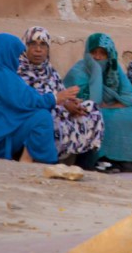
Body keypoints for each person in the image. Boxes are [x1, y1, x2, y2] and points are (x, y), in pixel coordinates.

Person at [0, 33, 79, 164]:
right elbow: (29, 100)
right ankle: (30, 160)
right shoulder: (2, 76)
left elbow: (20, 99)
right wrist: (55, 98)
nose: (17, 59)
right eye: (16, 55)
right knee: (41, 117)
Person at [64, 33, 132, 173]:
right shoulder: (78, 72)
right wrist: (96, 71)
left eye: (103, 53)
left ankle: (125, 160)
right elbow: (93, 102)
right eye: (94, 53)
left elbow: (131, 98)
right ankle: (102, 159)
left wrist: (112, 106)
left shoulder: (115, 70)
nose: (98, 57)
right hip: (90, 112)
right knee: (97, 115)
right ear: (87, 53)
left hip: (112, 108)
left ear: (109, 55)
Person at [17, 26, 104, 164]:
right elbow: (32, 101)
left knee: (90, 108)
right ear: (25, 46)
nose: (38, 50)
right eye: (33, 44)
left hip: (59, 108)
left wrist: (72, 103)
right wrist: (61, 103)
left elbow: (61, 93)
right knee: (51, 116)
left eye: (43, 45)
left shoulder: (49, 70)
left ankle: (84, 162)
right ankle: (48, 158)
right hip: (37, 113)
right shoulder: (19, 70)